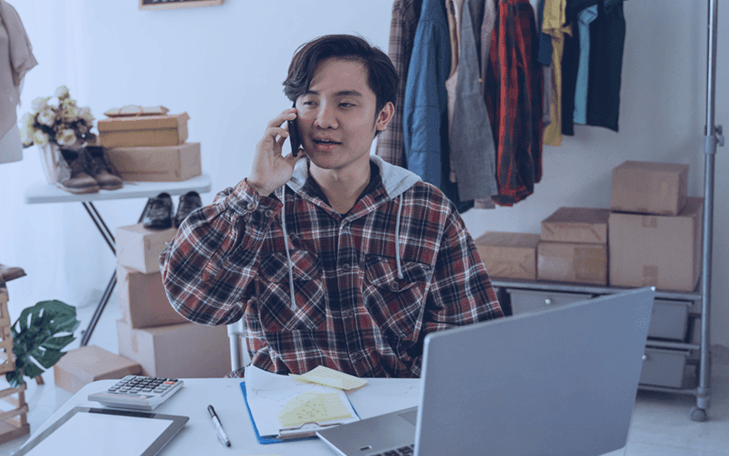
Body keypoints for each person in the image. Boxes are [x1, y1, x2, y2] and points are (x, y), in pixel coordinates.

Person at [161, 34, 502, 378]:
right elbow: (198, 304)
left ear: (382, 116)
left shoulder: (427, 209)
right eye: (310, 102)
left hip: (389, 407)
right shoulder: (258, 205)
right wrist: (256, 190)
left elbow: (467, 338)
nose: (324, 120)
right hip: (285, 408)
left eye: (346, 104)